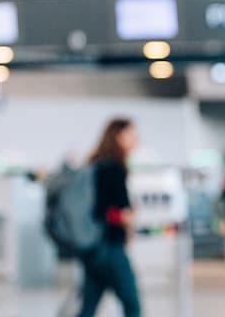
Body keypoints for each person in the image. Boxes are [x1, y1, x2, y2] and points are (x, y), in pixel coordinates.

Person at [79, 118, 142, 317]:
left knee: (88, 306)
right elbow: (120, 212)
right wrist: (130, 221)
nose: (136, 139)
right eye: (131, 134)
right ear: (118, 136)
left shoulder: (95, 165)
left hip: (91, 247)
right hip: (111, 246)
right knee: (132, 305)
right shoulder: (115, 168)